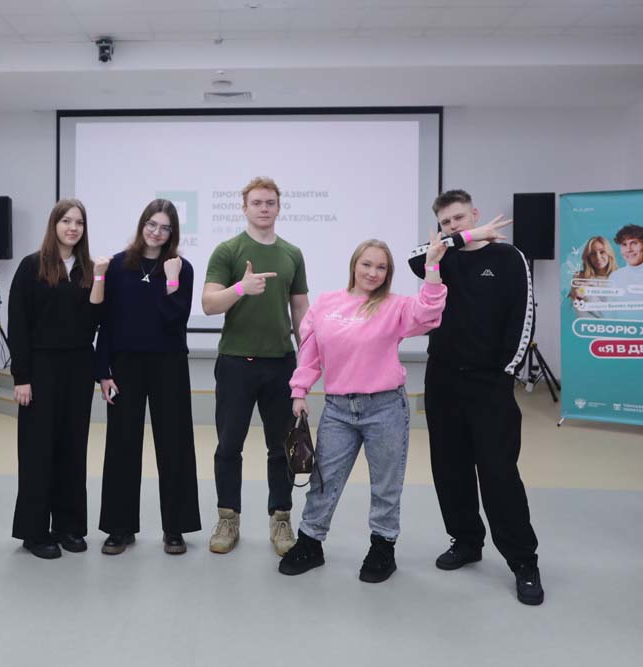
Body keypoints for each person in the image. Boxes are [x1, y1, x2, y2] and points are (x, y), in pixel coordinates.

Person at [280, 237, 447, 582]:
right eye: (367, 264)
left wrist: (432, 266)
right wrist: (299, 391)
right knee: (323, 480)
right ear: (354, 265)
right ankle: (310, 542)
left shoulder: (395, 306)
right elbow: (310, 353)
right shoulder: (326, 304)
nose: (373, 272)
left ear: (388, 273)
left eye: (381, 267)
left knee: (386, 483)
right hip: (338, 409)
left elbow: (429, 314)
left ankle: (383, 547)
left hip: (385, 408)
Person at [407, 189, 544, 606]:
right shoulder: (442, 255)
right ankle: (466, 541)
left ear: (475, 213)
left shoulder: (509, 258)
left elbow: (524, 316)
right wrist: (463, 239)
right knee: (450, 468)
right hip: (443, 380)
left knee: (499, 473)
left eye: (460, 219)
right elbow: (415, 259)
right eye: (446, 222)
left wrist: (506, 371)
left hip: (490, 384)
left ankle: (523, 561)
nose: (453, 226)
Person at [202, 176, 309, 556]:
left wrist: (307, 363)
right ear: (244, 208)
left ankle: (281, 519)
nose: (264, 208)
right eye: (257, 203)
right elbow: (209, 304)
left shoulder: (292, 253)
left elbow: (300, 310)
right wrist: (240, 289)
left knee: (281, 448)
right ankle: (228, 519)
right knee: (229, 446)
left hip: (281, 364)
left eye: (270, 203)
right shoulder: (228, 251)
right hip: (236, 363)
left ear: (278, 207)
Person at [94, 199, 201, 555]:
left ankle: (175, 528)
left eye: (165, 228)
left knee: (175, 443)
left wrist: (171, 281)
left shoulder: (181, 268)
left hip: (169, 364)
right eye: (151, 224)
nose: (157, 232)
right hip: (125, 366)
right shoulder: (118, 265)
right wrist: (103, 372)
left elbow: (175, 319)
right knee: (121, 444)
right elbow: (105, 322)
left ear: (173, 233)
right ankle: (119, 528)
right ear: (142, 225)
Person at [9, 199, 107, 559]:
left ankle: (69, 526)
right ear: (54, 225)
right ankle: (35, 532)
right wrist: (21, 377)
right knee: (38, 451)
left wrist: (100, 278)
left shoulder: (89, 269)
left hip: (78, 367)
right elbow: (18, 323)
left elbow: (96, 320)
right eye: (66, 221)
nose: (72, 228)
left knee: (72, 447)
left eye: (79, 222)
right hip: (40, 368)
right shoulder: (31, 266)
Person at [567, 236, 617, 310]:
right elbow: (576, 305)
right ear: (588, 257)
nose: (598, 257)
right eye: (593, 253)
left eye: (602, 252)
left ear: (609, 253)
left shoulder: (620, 276)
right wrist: (578, 294)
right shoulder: (579, 277)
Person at [606, 225, 643, 317]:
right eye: (624, 244)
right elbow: (610, 315)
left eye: (634, 243)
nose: (629, 249)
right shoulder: (615, 277)